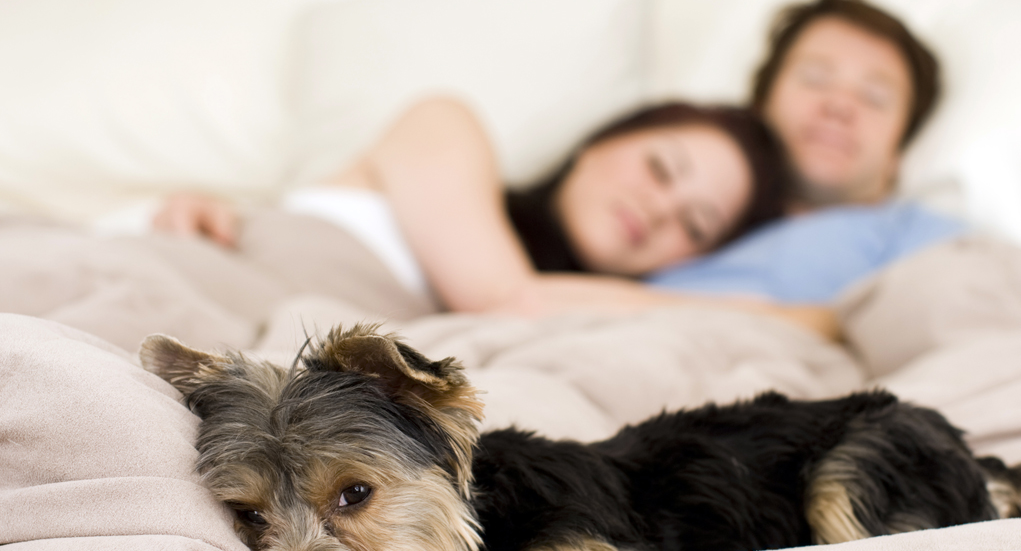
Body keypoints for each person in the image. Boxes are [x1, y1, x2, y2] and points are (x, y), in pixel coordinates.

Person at [153, 98, 840, 339]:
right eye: (661, 168)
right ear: (600, 143)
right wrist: (774, 315)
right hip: (178, 274)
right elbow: (508, 300)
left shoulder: (569, 319)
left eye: (696, 225)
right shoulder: (449, 126)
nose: (659, 208)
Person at [648, 0, 968, 304]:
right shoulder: (683, 211)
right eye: (815, 78)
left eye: (874, 97)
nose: (840, 105)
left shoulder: (929, 241)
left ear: (897, 154)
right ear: (760, 104)